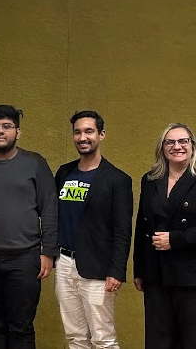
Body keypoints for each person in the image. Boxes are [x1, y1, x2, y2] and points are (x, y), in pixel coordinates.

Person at [0, 105, 57, 349]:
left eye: (7, 126)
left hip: (24, 259)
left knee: (21, 327)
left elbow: (49, 208)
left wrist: (48, 252)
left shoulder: (35, 163)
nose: (0, 131)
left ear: (18, 132)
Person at [53, 111, 133, 349]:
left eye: (89, 131)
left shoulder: (117, 179)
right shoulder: (64, 173)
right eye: (77, 132)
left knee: (103, 339)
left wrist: (117, 270)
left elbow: (122, 230)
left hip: (98, 268)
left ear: (102, 135)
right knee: (75, 337)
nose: (82, 137)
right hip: (64, 263)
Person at [133, 123, 196, 348]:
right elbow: (142, 227)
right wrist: (139, 270)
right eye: (170, 142)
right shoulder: (150, 180)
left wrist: (177, 239)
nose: (176, 146)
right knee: (158, 341)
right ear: (162, 147)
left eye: (183, 141)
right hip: (156, 275)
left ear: (192, 146)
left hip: (190, 275)